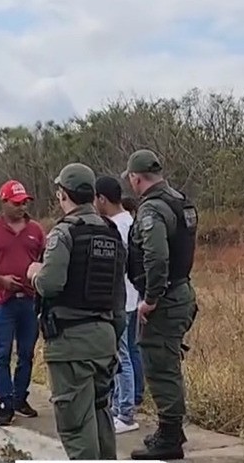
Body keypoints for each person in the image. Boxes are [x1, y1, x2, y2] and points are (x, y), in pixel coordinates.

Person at [29, 163, 126, 461]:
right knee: (99, 415)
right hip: (105, 340)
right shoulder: (111, 233)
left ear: (62, 195)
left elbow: (50, 283)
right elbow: (119, 299)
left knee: (74, 425)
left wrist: (34, 272)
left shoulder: (64, 233)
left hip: (71, 345)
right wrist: (112, 336)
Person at [121, 149, 199, 460]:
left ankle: (169, 437)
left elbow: (156, 256)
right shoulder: (180, 200)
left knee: (160, 365)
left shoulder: (152, 210)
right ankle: (171, 429)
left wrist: (150, 299)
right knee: (166, 362)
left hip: (165, 300)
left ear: (135, 178)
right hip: (181, 291)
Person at [0, 179, 46, 426]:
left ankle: (19, 397)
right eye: (16, 203)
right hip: (3, 301)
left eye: (24, 202)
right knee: (2, 354)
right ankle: (4, 401)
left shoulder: (36, 230)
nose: (21, 207)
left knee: (26, 354)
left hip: (30, 301)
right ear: (3, 202)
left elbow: (45, 261)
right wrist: (1, 280)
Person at [94, 174, 143, 433]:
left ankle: (125, 413)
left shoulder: (117, 227)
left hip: (121, 301)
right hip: (132, 298)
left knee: (120, 356)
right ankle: (119, 407)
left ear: (102, 198)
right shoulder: (129, 222)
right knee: (125, 354)